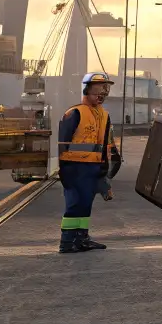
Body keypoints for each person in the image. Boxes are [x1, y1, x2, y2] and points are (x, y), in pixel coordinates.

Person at [57, 72, 119, 253]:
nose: (102, 93)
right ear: (86, 90)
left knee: (86, 203)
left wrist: (106, 169)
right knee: (75, 203)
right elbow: (63, 143)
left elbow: (107, 143)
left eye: (105, 89)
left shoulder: (104, 115)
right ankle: (67, 242)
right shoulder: (74, 113)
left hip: (94, 168)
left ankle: (82, 238)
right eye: (97, 89)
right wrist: (64, 170)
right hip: (75, 168)